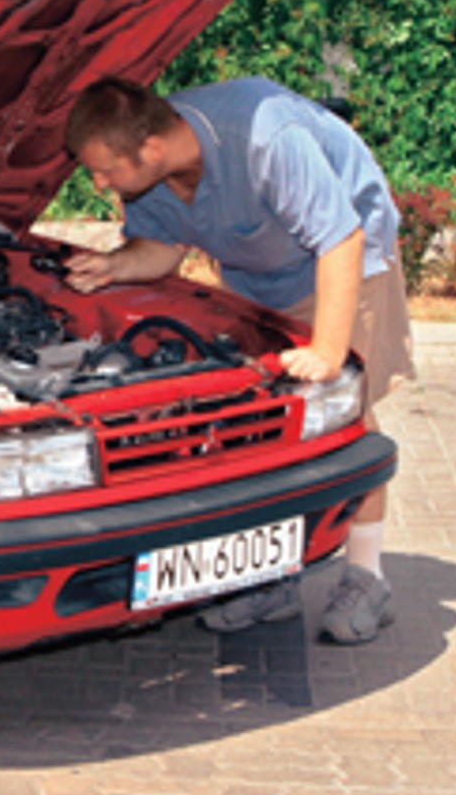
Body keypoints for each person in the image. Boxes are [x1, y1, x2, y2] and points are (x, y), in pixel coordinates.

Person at [61, 76, 414, 645]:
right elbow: (163, 249)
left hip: (348, 260)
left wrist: (327, 350)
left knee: (342, 415)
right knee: (261, 424)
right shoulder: (153, 178)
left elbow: (339, 238)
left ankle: (366, 577)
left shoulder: (266, 137)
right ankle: (270, 571)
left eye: (106, 172)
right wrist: (115, 267)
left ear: (151, 148)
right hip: (260, 273)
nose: (100, 184)